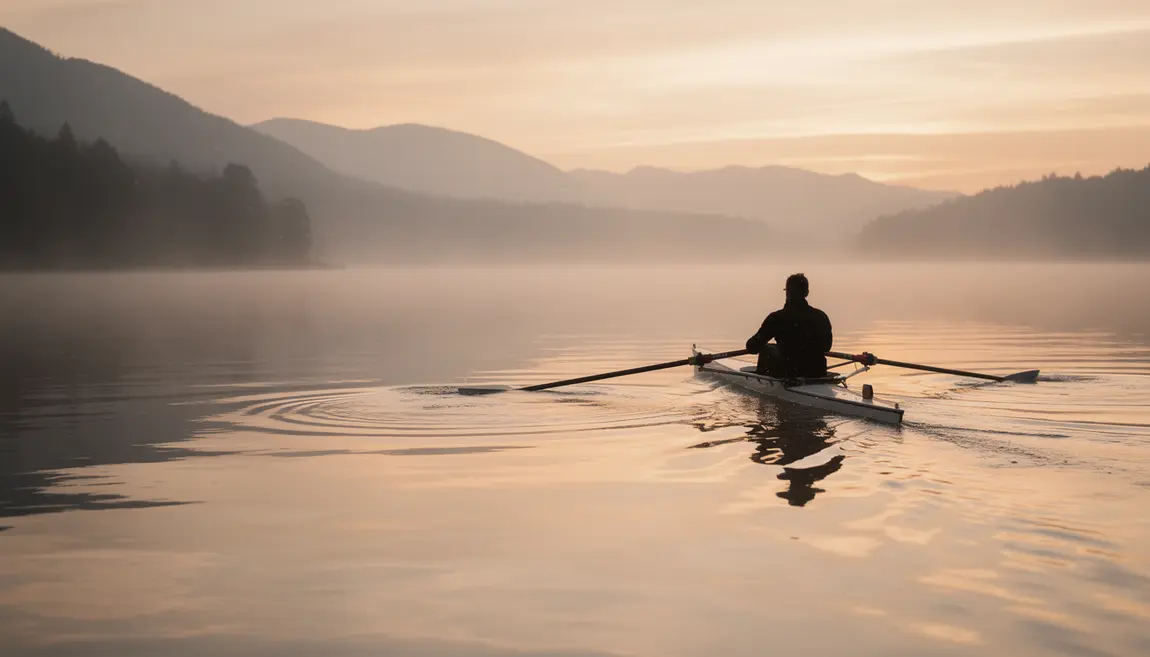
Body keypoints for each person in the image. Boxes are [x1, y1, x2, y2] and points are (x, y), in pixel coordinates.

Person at [745, 273, 833, 379]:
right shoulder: (821, 317)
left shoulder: (777, 318)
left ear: (787, 292)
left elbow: (753, 347)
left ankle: (761, 381)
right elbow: (827, 347)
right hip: (817, 373)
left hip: (788, 374)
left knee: (767, 349)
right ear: (807, 293)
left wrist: (752, 343)